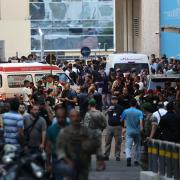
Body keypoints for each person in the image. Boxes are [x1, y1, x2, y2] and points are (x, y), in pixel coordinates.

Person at [56, 110, 99, 180]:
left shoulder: (87, 131)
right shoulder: (64, 132)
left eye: (77, 116)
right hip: (69, 164)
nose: (75, 118)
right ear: (69, 118)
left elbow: (96, 144)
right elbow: (59, 149)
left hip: (84, 164)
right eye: (73, 116)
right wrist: (67, 160)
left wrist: (99, 158)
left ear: (80, 118)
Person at [46, 106, 70, 179]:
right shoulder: (51, 129)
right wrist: (48, 164)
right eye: (58, 117)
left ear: (66, 116)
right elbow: (48, 147)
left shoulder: (71, 127)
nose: (60, 119)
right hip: (56, 159)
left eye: (62, 117)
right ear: (56, 117)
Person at [84, 99, 107, 171]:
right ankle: (99, 166)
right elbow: (105, 124)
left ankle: (88, 166)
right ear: (95, 105)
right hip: (98, 133)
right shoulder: (100, 113)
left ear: (89, 105)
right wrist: (101, 129)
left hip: (89, 134)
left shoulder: (87, 114)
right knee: (98, 149)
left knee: (87, 150)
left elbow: (85, 126)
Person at [121, 99, 143, 167]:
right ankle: (136, 160)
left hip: (129, 131)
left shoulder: (125, 111)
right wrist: (141, 128)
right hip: (137, 131)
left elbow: (121, 119)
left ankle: (128, 157)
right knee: (137, 145)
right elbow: (141, 122)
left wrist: (124, 125)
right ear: (136, 104)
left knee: (128, 146)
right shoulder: (140, 112)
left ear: (130, 104)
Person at [104, 96, 123, 161]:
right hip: (110, 126)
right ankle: (106, 155)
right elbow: (104, 114)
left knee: (118, 142)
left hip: (118, 126)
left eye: (115, 100)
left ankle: (117, 155)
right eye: (113, 100)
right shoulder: (109, 107)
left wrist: (121, 122)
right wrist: (108, 110)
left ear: (117, 100)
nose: (114, 101)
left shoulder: (120, 107)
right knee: (107, 141)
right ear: (111, 100)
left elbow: (123, 115)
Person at [140, 103, 158, 170]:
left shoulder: (153, 117)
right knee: (144, 158)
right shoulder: (146, 117)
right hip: (146, 140)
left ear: (145, 109)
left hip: (151, 140)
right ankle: (148, 169)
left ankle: (153, 169)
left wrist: (151, 137)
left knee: (152, 156)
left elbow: (154, 127)